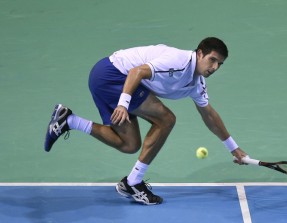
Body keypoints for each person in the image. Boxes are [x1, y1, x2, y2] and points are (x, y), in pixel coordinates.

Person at [44, 37, 248, 205]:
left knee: (129, 144)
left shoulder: (197, 84)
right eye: (212, 60)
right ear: (200, 52)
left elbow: (209, 115)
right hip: (112, 75)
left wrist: (233, 148)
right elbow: (137, 71)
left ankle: (68, 120)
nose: (214, 67)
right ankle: (133, 182)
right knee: (166, 119)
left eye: (219, 64)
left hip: (115, 81)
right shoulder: (178, 62)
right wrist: (123, 104)